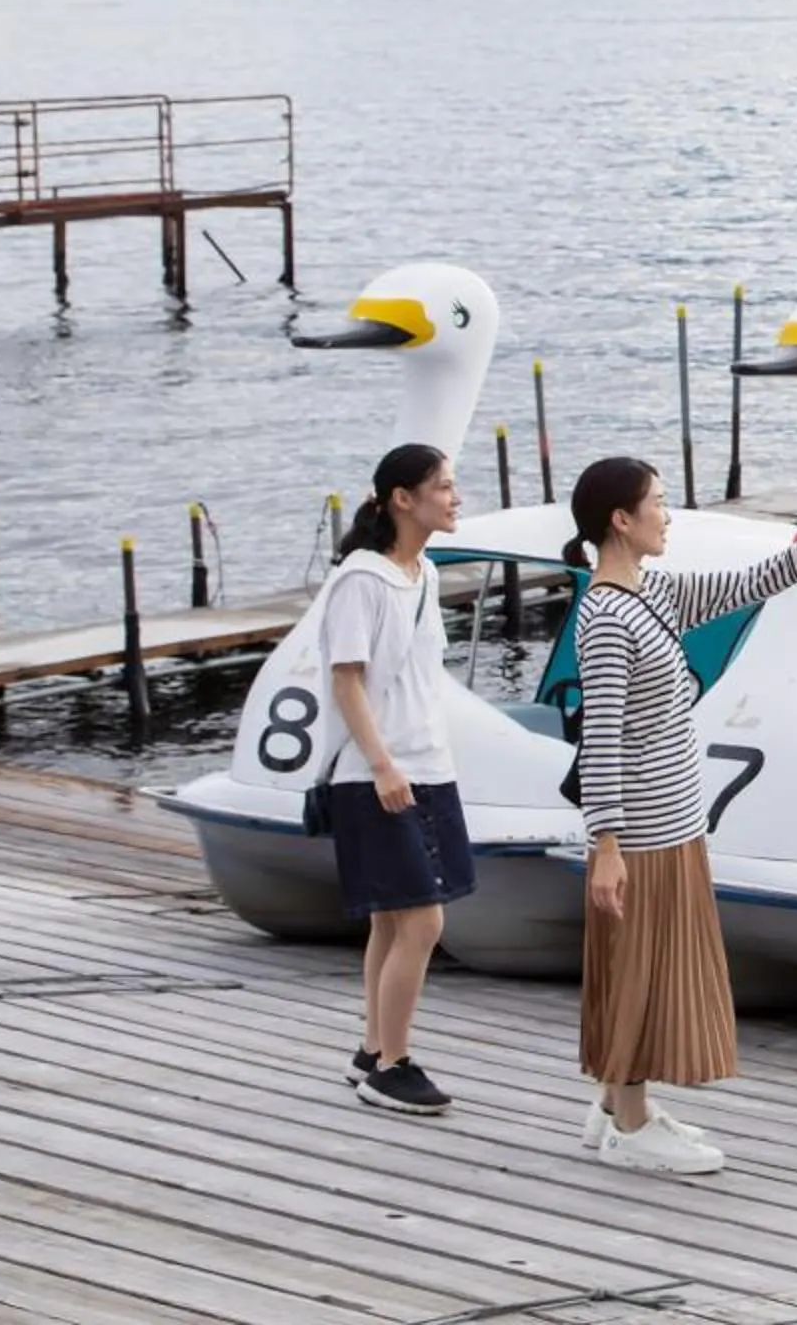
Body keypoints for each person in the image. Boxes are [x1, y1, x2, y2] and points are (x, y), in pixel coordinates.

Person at [562, 456, 797, 1174]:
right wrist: (605, 845)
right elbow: (602, 737)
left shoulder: (653, 592)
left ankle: (616, 1107)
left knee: (642, 967)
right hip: (641, 830)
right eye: (658, 503)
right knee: (640, 972)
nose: (667, 515)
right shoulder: (609, 617)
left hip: (673, 820)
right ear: (621, 520)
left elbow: (746, 585)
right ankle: (633, 1126)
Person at [320, 440, 472, 1115]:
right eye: (442, 486)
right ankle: (394, 1064)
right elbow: (346, 678)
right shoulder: (362, 578)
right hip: (377, 771)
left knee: (391, 919)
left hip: (425, 763)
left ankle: (372, 1048)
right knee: (422, 921)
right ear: (402, 500)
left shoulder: (423, 574)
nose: (455, 495)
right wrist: (382, 765)